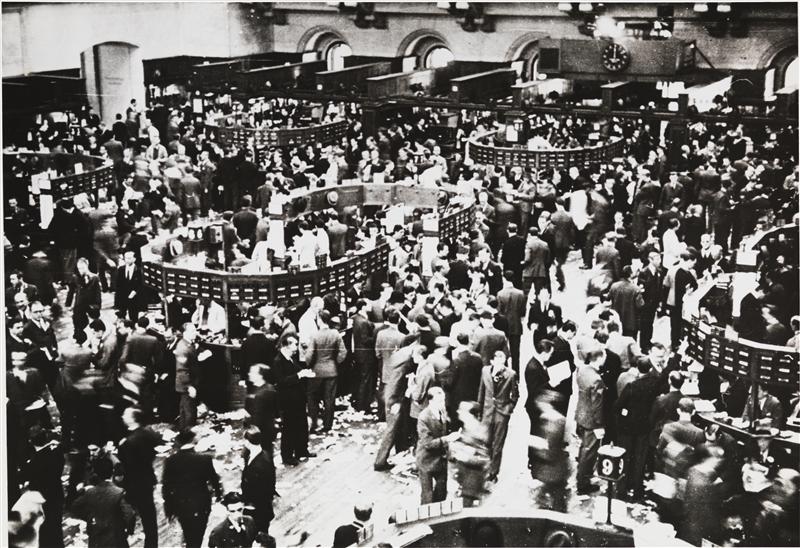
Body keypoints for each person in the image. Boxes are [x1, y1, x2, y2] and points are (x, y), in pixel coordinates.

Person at [162, 429, 223, 548]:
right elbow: (214, 480)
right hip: (201, 505)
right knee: (198, 534)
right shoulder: (204, 459)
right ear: (193, 441)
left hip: (181, 505)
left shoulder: (170, 461)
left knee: (187, 532)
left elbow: (166, 487)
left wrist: (169, 511)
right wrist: (219, 496)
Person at [117, 407, 161, 548]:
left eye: (125, 414)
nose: (122, 416)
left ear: (132, 419)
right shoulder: (148, 434)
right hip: (147, 479)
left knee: (125, 513)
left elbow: (126, 465)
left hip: (133, 483)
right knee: (149, 518)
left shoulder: (127, 442)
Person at [71, 457, 136, 548]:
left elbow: (75, 507)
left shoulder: (90, 492)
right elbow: (130, 515)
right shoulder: (119, 492)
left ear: (96, 474)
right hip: (116, 539)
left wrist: (90, 518)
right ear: (112, 472)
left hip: (96, 539)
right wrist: (129, 530)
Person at [272, 334, 315, 465]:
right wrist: (299, 375)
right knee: (289, 428)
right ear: (286, 346)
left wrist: (304, 373)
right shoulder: (278, 361)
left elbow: (296, 371)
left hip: (297, 399)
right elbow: (281, 381)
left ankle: (301, 450)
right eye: (294, 345)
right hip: (288, 401)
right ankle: (287, 456)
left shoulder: (290, 358)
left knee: (301, 425)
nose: (296, 348)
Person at [478, 350, 519, 483]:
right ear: (492, 361)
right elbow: (481, 392)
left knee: (498, 444)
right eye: (498, 362)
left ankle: (493, 472)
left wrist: (509, 408)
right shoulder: (485, 371)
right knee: (486, 442)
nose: (500, 366)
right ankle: (486, 466)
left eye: (503, 362)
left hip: (502, 414)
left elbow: (515, 395)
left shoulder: (511, 375)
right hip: (487, 412)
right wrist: (479, 411)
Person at [21, 427, 65, 548]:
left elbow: (29, 481)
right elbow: (60, 454)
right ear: (46, 438)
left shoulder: (33, 462)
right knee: (56, 530)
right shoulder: (56, 453)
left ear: (30, 441)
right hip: (56, 496)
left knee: (44, 533)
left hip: (41, 502)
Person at [305, 309, 347, 432]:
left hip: (317, 371)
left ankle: (313, 424)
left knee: (313, 398)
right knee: (329, 399)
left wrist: (309, 365)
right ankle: (327, 425)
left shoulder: (315, 335)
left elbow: (309, 355)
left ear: (319, 320)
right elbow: (343, 352)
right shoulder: (335, 334)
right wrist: (336, 362)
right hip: (331, 370)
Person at [416, 386, 459, 504]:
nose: (442, 404)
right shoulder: (423, 417)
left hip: (440, 460)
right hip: (426, 461)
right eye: (439, 401)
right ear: (430, 401)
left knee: (441, 493)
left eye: (443, 400)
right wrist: (448, 439)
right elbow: (428, 444)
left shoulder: (442, 411)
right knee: (427, 496)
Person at [529, 391, 568, 512]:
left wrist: (536, 445)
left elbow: (550, 452)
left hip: (552, 470)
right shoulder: (552, 420)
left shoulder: (554, 423)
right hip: (554, 470)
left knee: (555, 502)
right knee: (552, 498)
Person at [575, 344, 606, 495]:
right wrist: (599, 425)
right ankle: (583, 483)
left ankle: (581, 477)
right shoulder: (596, 379)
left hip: (581, 415)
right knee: (589, 453)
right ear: (599, 359)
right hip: (591, 421)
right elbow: (597, 405)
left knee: (583, 449)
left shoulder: (582, 370)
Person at [241, 427, 276, 543]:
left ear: (248, 442)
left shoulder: (261, 463)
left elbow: (263, 488)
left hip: (258, 508)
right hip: (259, 506)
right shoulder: (264, 455)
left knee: (259, 537)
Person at [246, 364, 279, 458]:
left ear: (260, 375)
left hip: (261, 432)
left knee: (262, 457)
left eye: (252, 372)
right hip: (266, 429)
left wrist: (250, 432)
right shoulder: (266, 388)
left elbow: (258, 416)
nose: (249, 374)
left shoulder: (262, 393)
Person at [496, 271, 526, 372]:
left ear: (504, 279)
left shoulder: (500, 294)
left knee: (503, 351)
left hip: (503, 326)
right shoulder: (520, 293)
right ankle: (516, 374)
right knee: (515, 354)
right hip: (516, 326)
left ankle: (504, 373)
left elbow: (499, 312)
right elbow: (523, 312)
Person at [608, 265, 645, 338]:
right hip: (630, 323)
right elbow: (640, 304)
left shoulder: (614, 286)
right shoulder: (635, 289)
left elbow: (608, 298)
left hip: (616, 320)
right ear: (631, 274)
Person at [175, 322, 200, 430]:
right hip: (187, 385)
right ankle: (188, 434)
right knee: (189, 412)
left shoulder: (188, 344)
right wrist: (189, 386)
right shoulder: (183, 348)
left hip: (188, 383)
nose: (195, 333)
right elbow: (182, 369)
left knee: (185, 410)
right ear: (185, 333)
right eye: (192, 331)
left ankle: (184, 433)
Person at [72, 257, 102, 333]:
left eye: (82, 268)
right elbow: (72, 291)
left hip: (91, 304)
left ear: (87, 266)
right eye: (79, 268)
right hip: (80, 305)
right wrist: (70, 304)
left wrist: (97, 305)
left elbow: (98, 293)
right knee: (79, 325)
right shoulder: (76, 278)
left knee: (95, 325)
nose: (81, 270)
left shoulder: (94, 278)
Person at [115, 250, 143, 321]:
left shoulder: (139, 270)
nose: (127, 260)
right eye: (126, 258)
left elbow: (140, 284)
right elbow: (118, 284)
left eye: (129, 258)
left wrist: (135, 291)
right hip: (123, 295)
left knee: (133, 315)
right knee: (122, 314)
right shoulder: (121, 269)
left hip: (134, 296)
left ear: (134, 259)